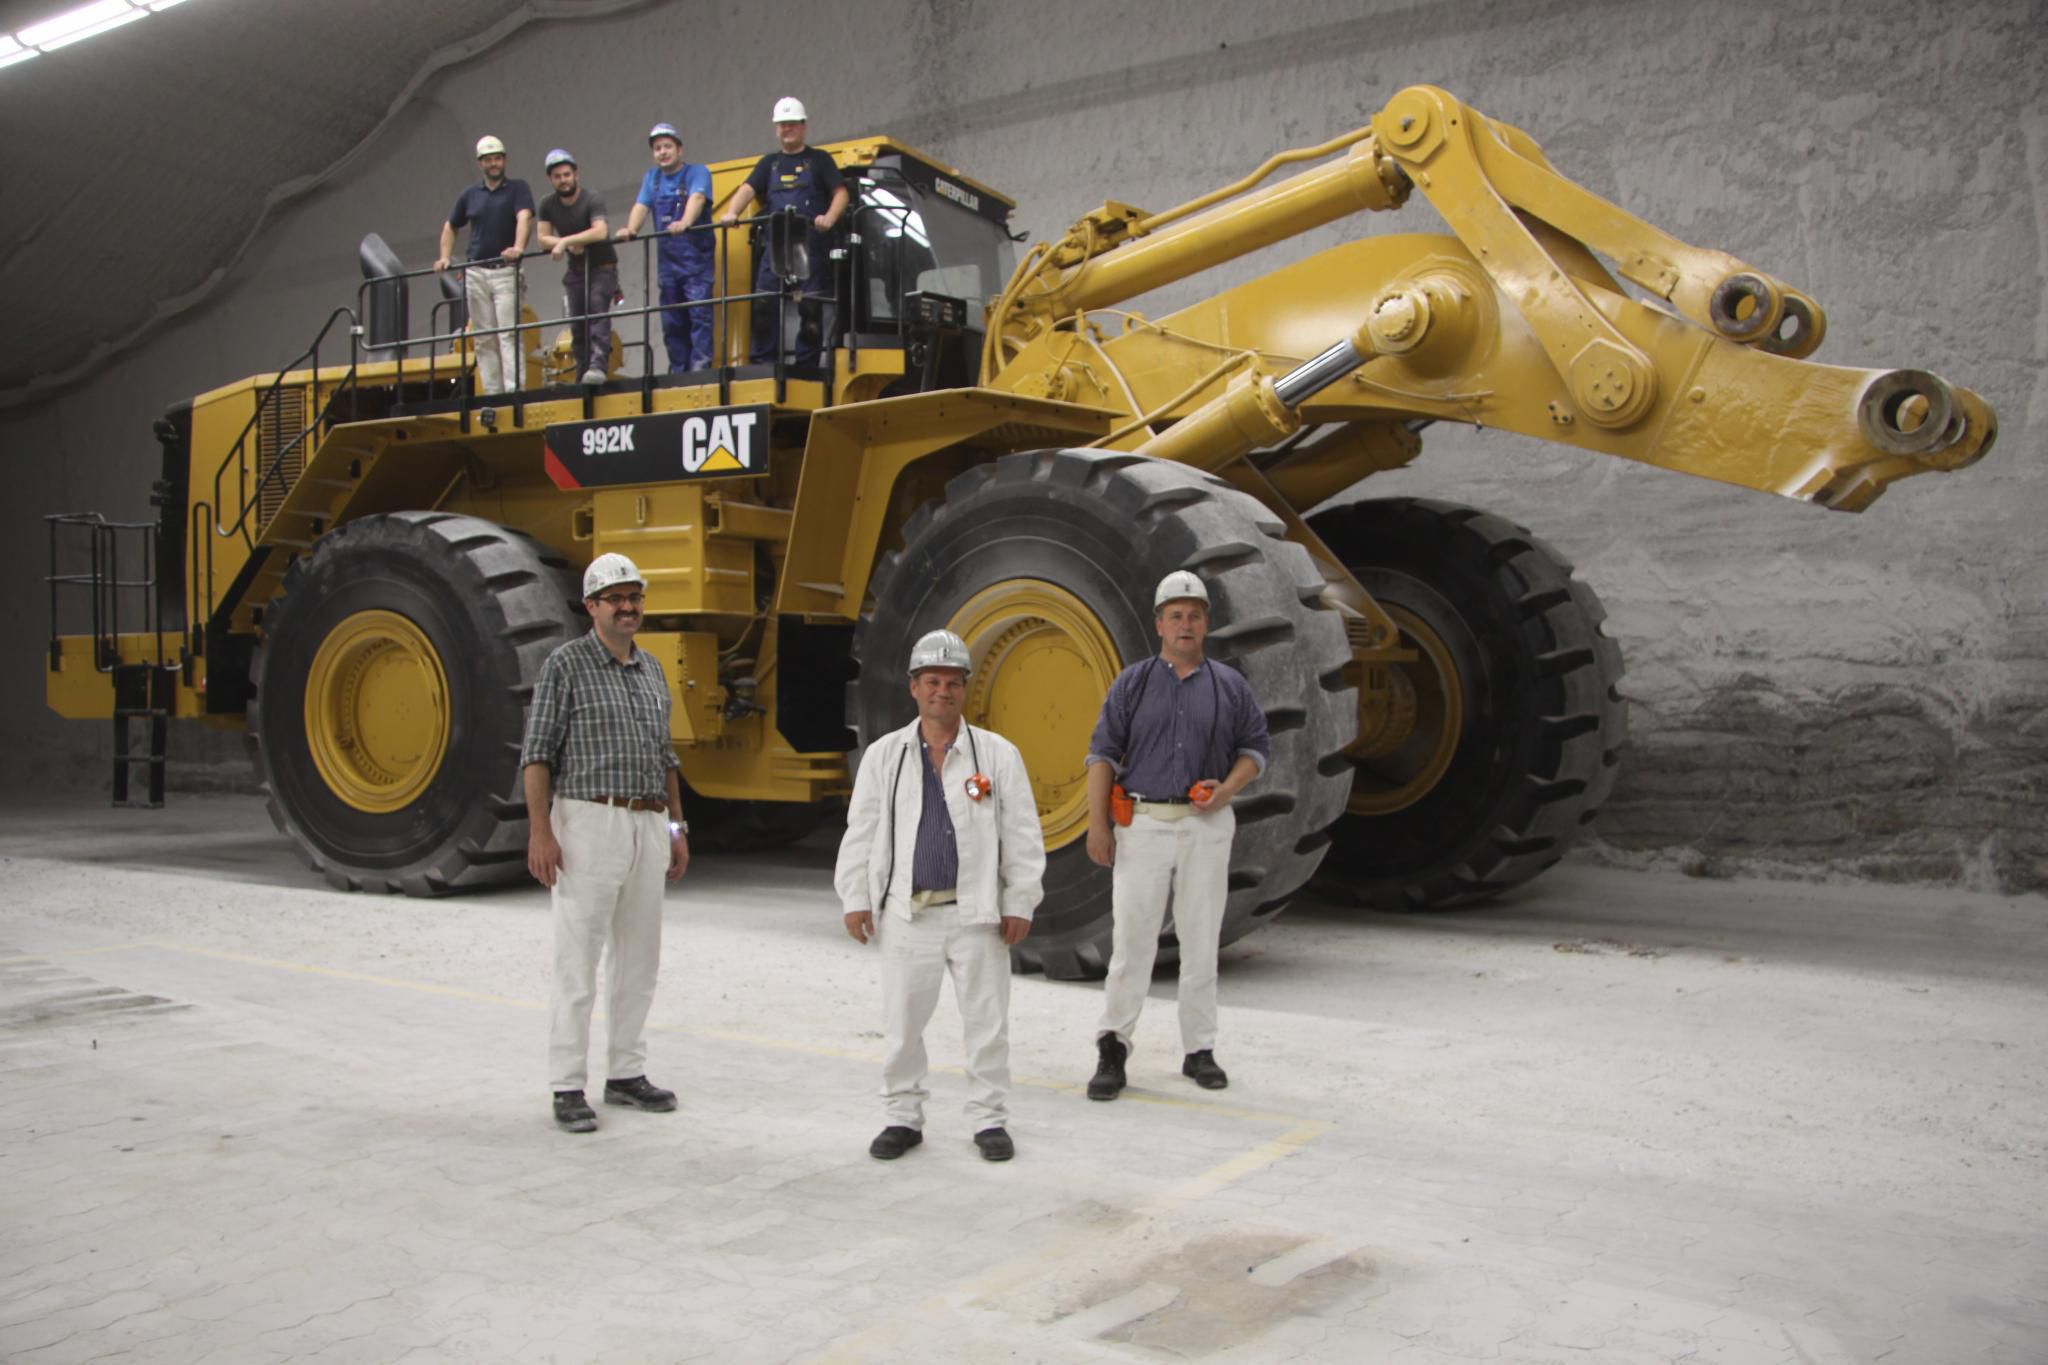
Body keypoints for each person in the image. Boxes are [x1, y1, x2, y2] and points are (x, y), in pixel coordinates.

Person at [834, 630, 1045, 1162]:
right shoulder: (886, 756)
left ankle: (989, 1121)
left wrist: (1019, 900)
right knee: (903, 1025)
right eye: (933, 681)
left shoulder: (996, 756)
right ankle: (902, 1117)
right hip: (909, 914)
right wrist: (855, 896)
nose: (942, 692)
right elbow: (860, 830)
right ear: (914, 687)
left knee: (987, 1025)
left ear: (965, 689)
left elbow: (1022, 833)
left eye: (953, 683)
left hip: (976, 916)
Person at [1082, 571, 1271, 1100]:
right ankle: (1113, 1046)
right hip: (1142, 826)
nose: (1185, 624)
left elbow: (1255, 749)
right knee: (1132, 942)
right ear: (1159, 623)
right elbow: (1101, 754)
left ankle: (1200, 1050)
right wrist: (1098, 825)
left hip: (1205, 827)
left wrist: (1228, 789)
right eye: (1176, 615)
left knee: (1201, 938)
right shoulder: (1133, 683)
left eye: (1194, 615)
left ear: (1206, 623)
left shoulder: (1230, 686)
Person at [521, 552, 691, 1133]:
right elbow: (537, 753)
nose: (628, 607)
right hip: (588, 822)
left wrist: (676, 826)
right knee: (579, 959)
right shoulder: (565, 666)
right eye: (615, 598)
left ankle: (625, 1075)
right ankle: (567, 1085)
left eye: (634, 597)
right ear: (592, 606)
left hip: (647, 823)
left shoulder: (652, 671)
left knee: (639, 958)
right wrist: (541, 831)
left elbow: (666, 757)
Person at [715, 96, 849, 368]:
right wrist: (732, 213)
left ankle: (807, 363)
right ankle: (764, 361)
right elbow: (747, 189)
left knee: (810, 307)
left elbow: (841, 193)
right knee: (764, 303)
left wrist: (829, 219)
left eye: (792, 124)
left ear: (803, 126)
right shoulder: (769, 164)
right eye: (782, 125)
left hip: (810, 243)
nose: (787, 129)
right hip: (775, 244)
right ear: (776, 128)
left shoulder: (819, 160)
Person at [436, 134, 534, 394]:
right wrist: (445, 256)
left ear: (505, 160)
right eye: (488, 159)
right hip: (476, 272)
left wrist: (519, 248)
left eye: (497, 158)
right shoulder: (469, 195)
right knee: (483, 338)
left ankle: (514, 392)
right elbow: (451, 225)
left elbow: (524, 217)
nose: (493, 164)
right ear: (481, 163)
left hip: (505, 271)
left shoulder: (518, 189)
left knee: (509, 334)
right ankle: (492, 393)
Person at [615, 123, 714, 373]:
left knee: (698, 315)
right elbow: (641, 205)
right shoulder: (652, 178)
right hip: (668, 264)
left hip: (696, 262)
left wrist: (685, 222)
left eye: (667, 146)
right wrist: (631, 228)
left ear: (679, 149)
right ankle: (678, 369)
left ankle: (700, 366)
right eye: (657, 148)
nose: (662, 152)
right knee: (672, 320)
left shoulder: (697, 173)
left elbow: (698, 198)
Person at [533, 149, 617, 387]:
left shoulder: (592, 199)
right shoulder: (547, 204)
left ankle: (598, 366)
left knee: (597, 310)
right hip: (577, 269)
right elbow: (542, 238)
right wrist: (567, 244)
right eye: (557, 176)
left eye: (567, 174)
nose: (563, 179)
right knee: (578, 321)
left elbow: (600, 231)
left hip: (603, 266)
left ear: (576, 174)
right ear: (551, 179)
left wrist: (566, 242)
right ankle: (582, 372)